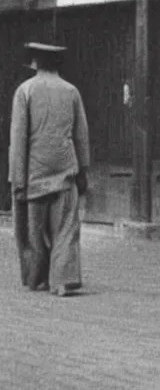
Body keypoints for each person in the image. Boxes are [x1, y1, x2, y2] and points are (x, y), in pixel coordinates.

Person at [8, 42, 90, 297]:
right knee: (66, 228)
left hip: (34, 175)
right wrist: (83, 171)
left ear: (35, 64)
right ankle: (63, 281)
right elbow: (81, 135)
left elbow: (18, 139)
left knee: (33, 232)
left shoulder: (25, 90)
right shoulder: (71, 91)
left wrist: (17, 179)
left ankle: (38, 278)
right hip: (65, 171)